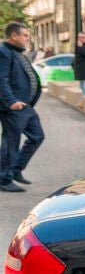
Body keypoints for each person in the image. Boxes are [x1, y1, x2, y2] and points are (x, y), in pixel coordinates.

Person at [0, 22, 45, 192]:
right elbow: (1, 79)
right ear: (14, 36)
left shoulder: (18, 52)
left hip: (26, 106)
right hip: (14, 107)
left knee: (37, 136)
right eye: (25, 35)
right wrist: (11, 101)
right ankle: (4, 179)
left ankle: (15, 169)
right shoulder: (4, 52)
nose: (28, 38)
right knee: (11, 142)